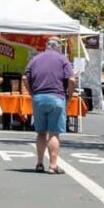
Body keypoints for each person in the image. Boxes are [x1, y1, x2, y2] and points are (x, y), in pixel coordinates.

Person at [24, 37, 74, 174]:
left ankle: (40, 163)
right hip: (57, 97)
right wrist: (69, 94)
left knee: (41, 132)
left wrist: (31, 93)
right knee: (54, 133)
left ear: (46, 46)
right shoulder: (63, 59)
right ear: (58, 46)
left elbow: (24, 78)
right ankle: (52, 165)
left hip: (39, 98)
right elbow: (71, 79)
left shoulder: (35, 59)